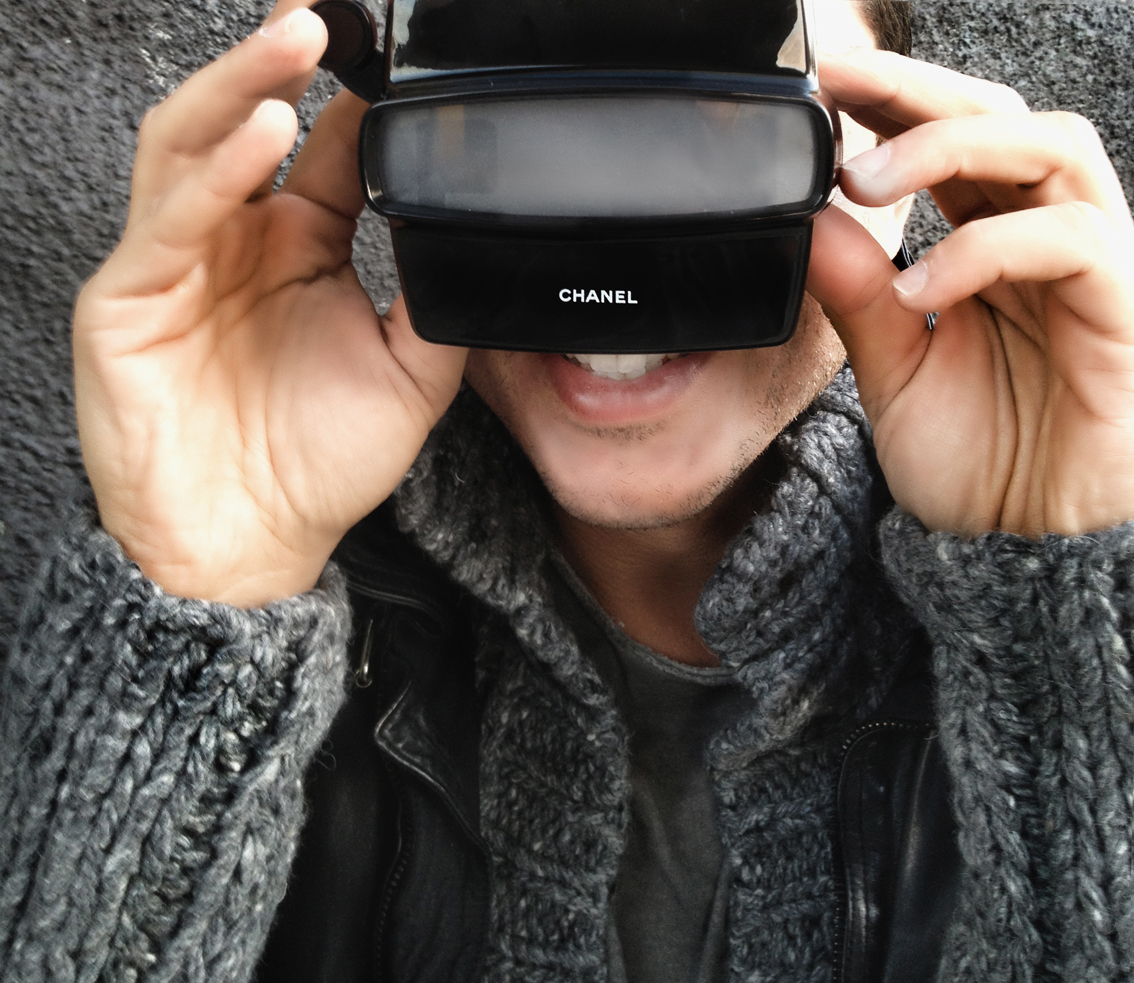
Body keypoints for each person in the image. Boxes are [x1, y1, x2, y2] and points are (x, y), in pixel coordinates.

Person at [2, 0, 1133, 980]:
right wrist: (188, 623)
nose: (617, 247)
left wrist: (1069, 618)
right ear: (406, 154)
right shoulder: (257, 568)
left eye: (733, 129)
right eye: (527, 126)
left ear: (901, 171)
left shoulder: (1058, 588)